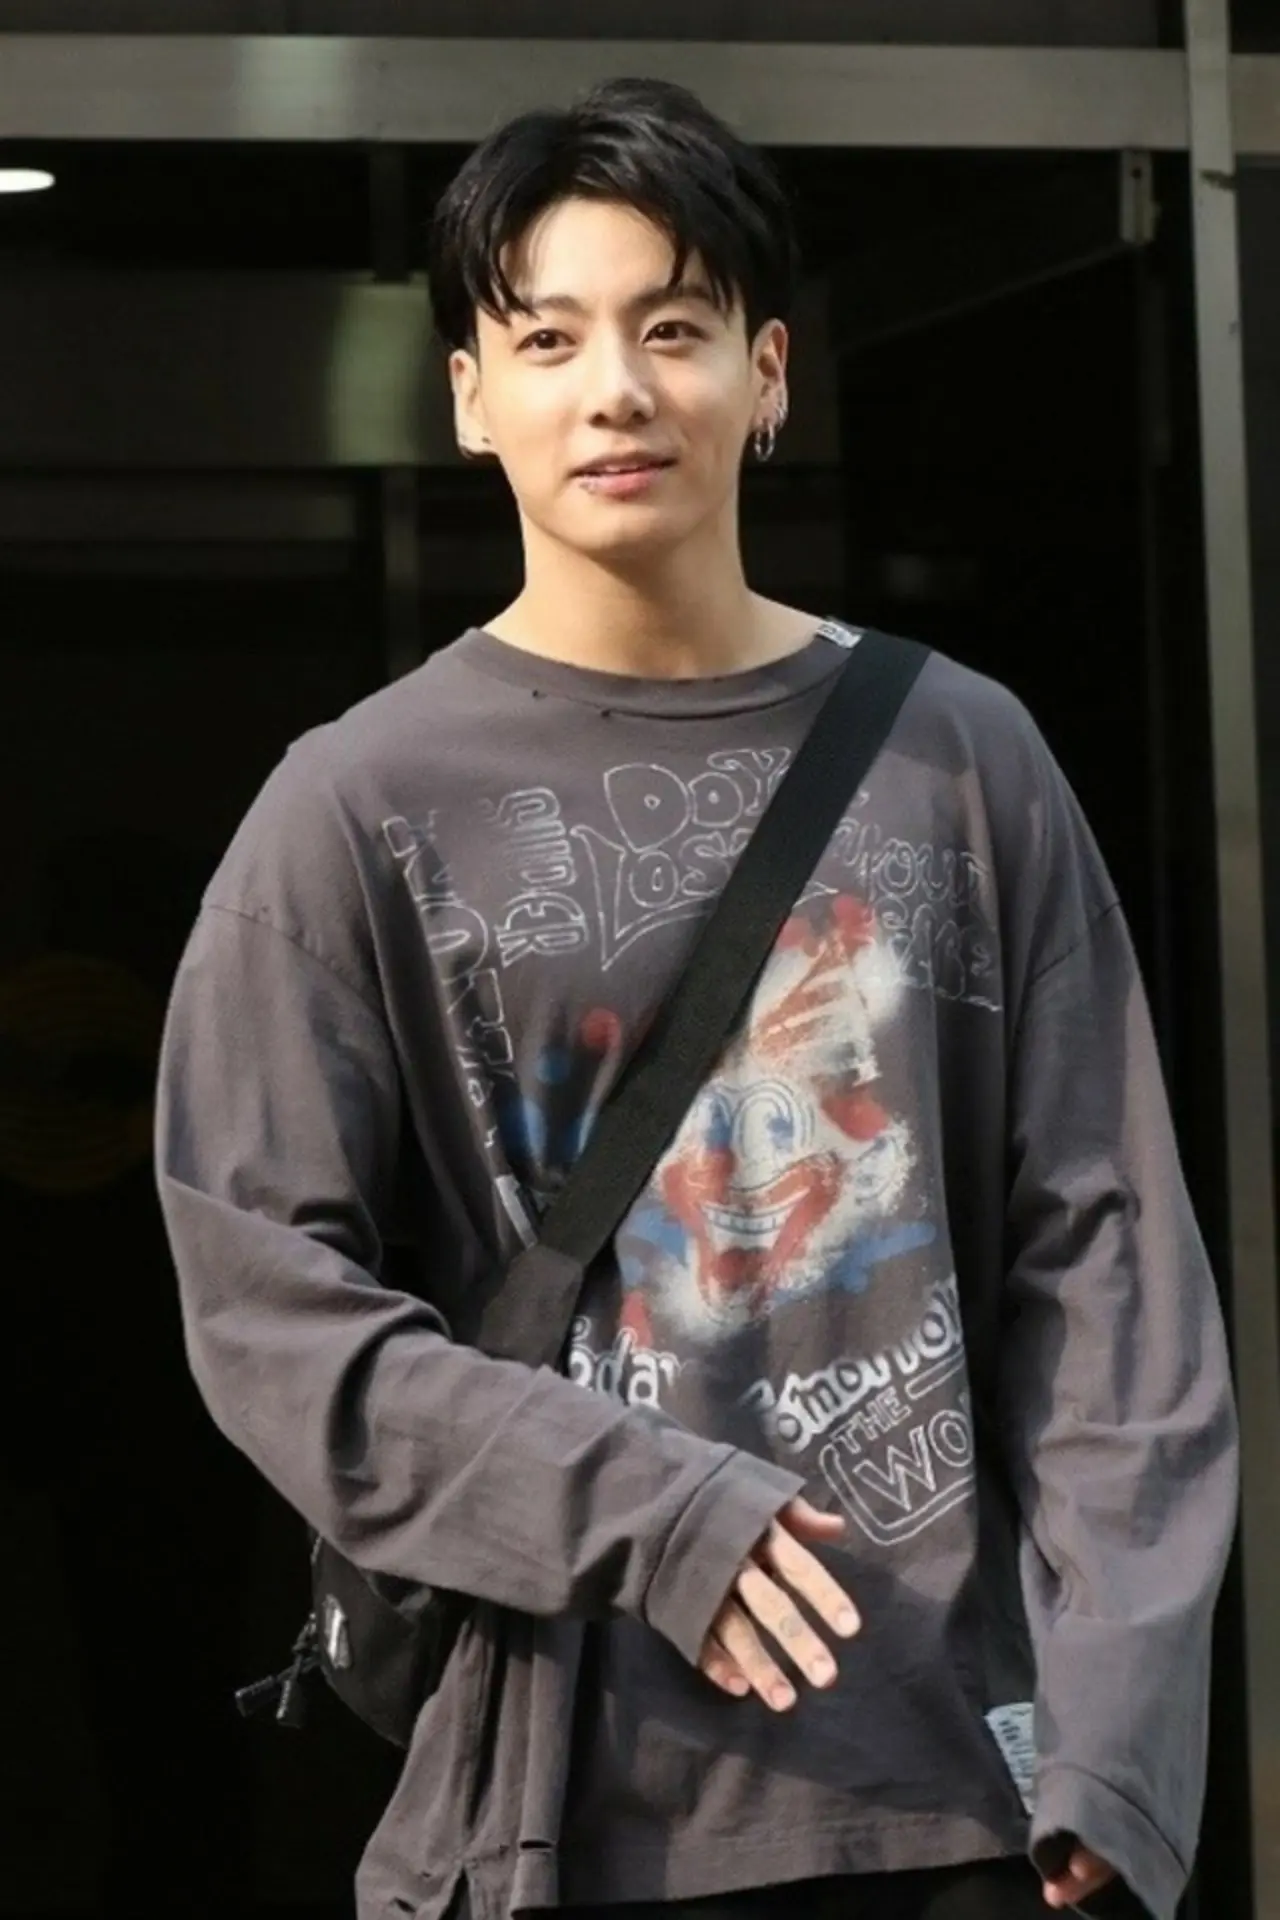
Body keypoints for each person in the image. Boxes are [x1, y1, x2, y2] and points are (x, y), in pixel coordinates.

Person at [155, 78, 1238, 1920]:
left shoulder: (963, 755)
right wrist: (658, 1513)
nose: (618, 390)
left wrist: (1118, 1746)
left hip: (961, 1803)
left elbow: (1107, 1256)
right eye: (549, 338)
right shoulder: (354, 805)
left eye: (673, 328)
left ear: (769, 371)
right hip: (563, 1808)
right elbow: (269, 1310)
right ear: (470, 396)